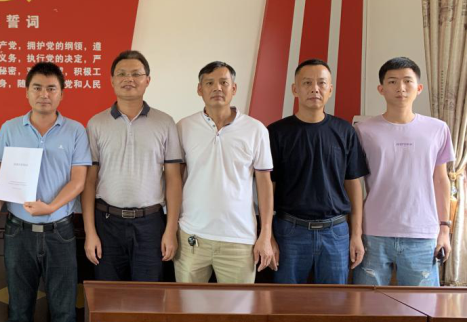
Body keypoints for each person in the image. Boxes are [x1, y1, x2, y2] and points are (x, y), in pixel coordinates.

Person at [0, 62, 90, 322]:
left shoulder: (75, 131)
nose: (44, 94)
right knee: (19, 310)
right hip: (18, 232)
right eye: (38, 88)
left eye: (51, 88)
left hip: (60, 232)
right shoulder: (10, 129)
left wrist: (51, 207)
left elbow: (79, 179)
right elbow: (1, 178)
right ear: (27, 91)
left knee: (63, 312)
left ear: (62, 92)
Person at [353, 57, 455, 286]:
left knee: (422, 304)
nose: (401, 87)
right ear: (381, 89)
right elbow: (354, 183)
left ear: (419, 88)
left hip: (422, 234)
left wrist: (444, 230)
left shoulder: (438, 129)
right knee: (367, 303)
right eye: (392, 81)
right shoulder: (363, 131)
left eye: (408, 81)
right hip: (373, 232)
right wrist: (356, 232)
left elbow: (441, 180)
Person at [82, 50, 182, 282]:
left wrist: (170, 230)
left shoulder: (165, 122)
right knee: (106, 295)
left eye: (136, 74)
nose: (129, 79)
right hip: (106, 223)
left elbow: (174, 179)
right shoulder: (96, 124)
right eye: (122, 74)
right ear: (112, 80)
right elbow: (89, 181)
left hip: (151, 225)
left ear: (147, 80)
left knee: (148, 296)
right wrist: (90, 232)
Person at [268, 58, 369, 284]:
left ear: (330, 90)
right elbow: (268, 187)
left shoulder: (345, 131)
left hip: (336, 232)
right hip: (289, 231)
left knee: (335, 301)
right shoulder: (276, 133)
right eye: (307, 83)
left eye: (322, 83)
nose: (315, 88)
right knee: (285, 300)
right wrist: (268, 235)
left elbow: (353, 184)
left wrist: (356, 234)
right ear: (295, 89)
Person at [175, 61, 274, 283]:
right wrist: (172, 228)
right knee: (188, 303)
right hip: (192, 236)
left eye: (223, 82)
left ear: (234, 88)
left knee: (238, 305)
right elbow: (175, 180)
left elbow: (264, 184)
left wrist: (265, 234)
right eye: (209, 83)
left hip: (239, 239)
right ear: (199, 89)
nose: (217, 88)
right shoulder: (184, 127)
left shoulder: (255, 129)